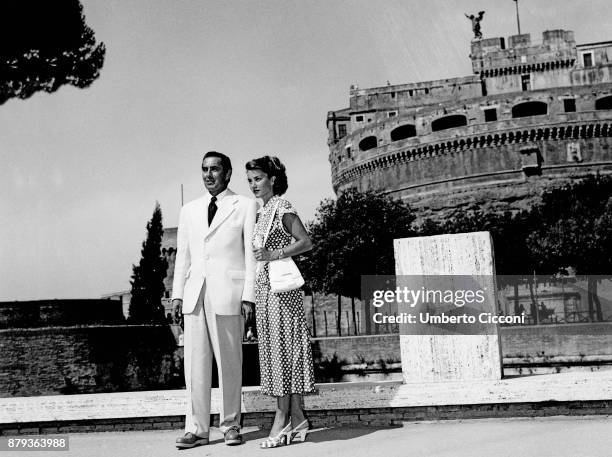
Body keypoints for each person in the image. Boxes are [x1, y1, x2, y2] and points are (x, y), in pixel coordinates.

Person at [172, 151, 257, 448]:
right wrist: (177, 295)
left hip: (229, 294)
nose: (209, 175)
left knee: (230, 363)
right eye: (204, 169)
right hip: (195, 295)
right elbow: (182, 257)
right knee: (194, 366)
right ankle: (196, 429)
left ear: (228, 173)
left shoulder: (245, 205)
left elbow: (251, 257)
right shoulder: (189, 210)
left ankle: (231, 425)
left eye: (215, 169)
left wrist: (249, 297)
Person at [246, 156, 315, 449]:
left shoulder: (282, 207)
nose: (253, 185)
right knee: (277, 352)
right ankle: (298, 417)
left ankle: (282, 417)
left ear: (272, 179)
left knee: (283, 351)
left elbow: (306, 241)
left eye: (258, 178)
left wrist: (274, 254)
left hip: (282, 294)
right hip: (265, 292)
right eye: (250, 180)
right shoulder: (262, 213)